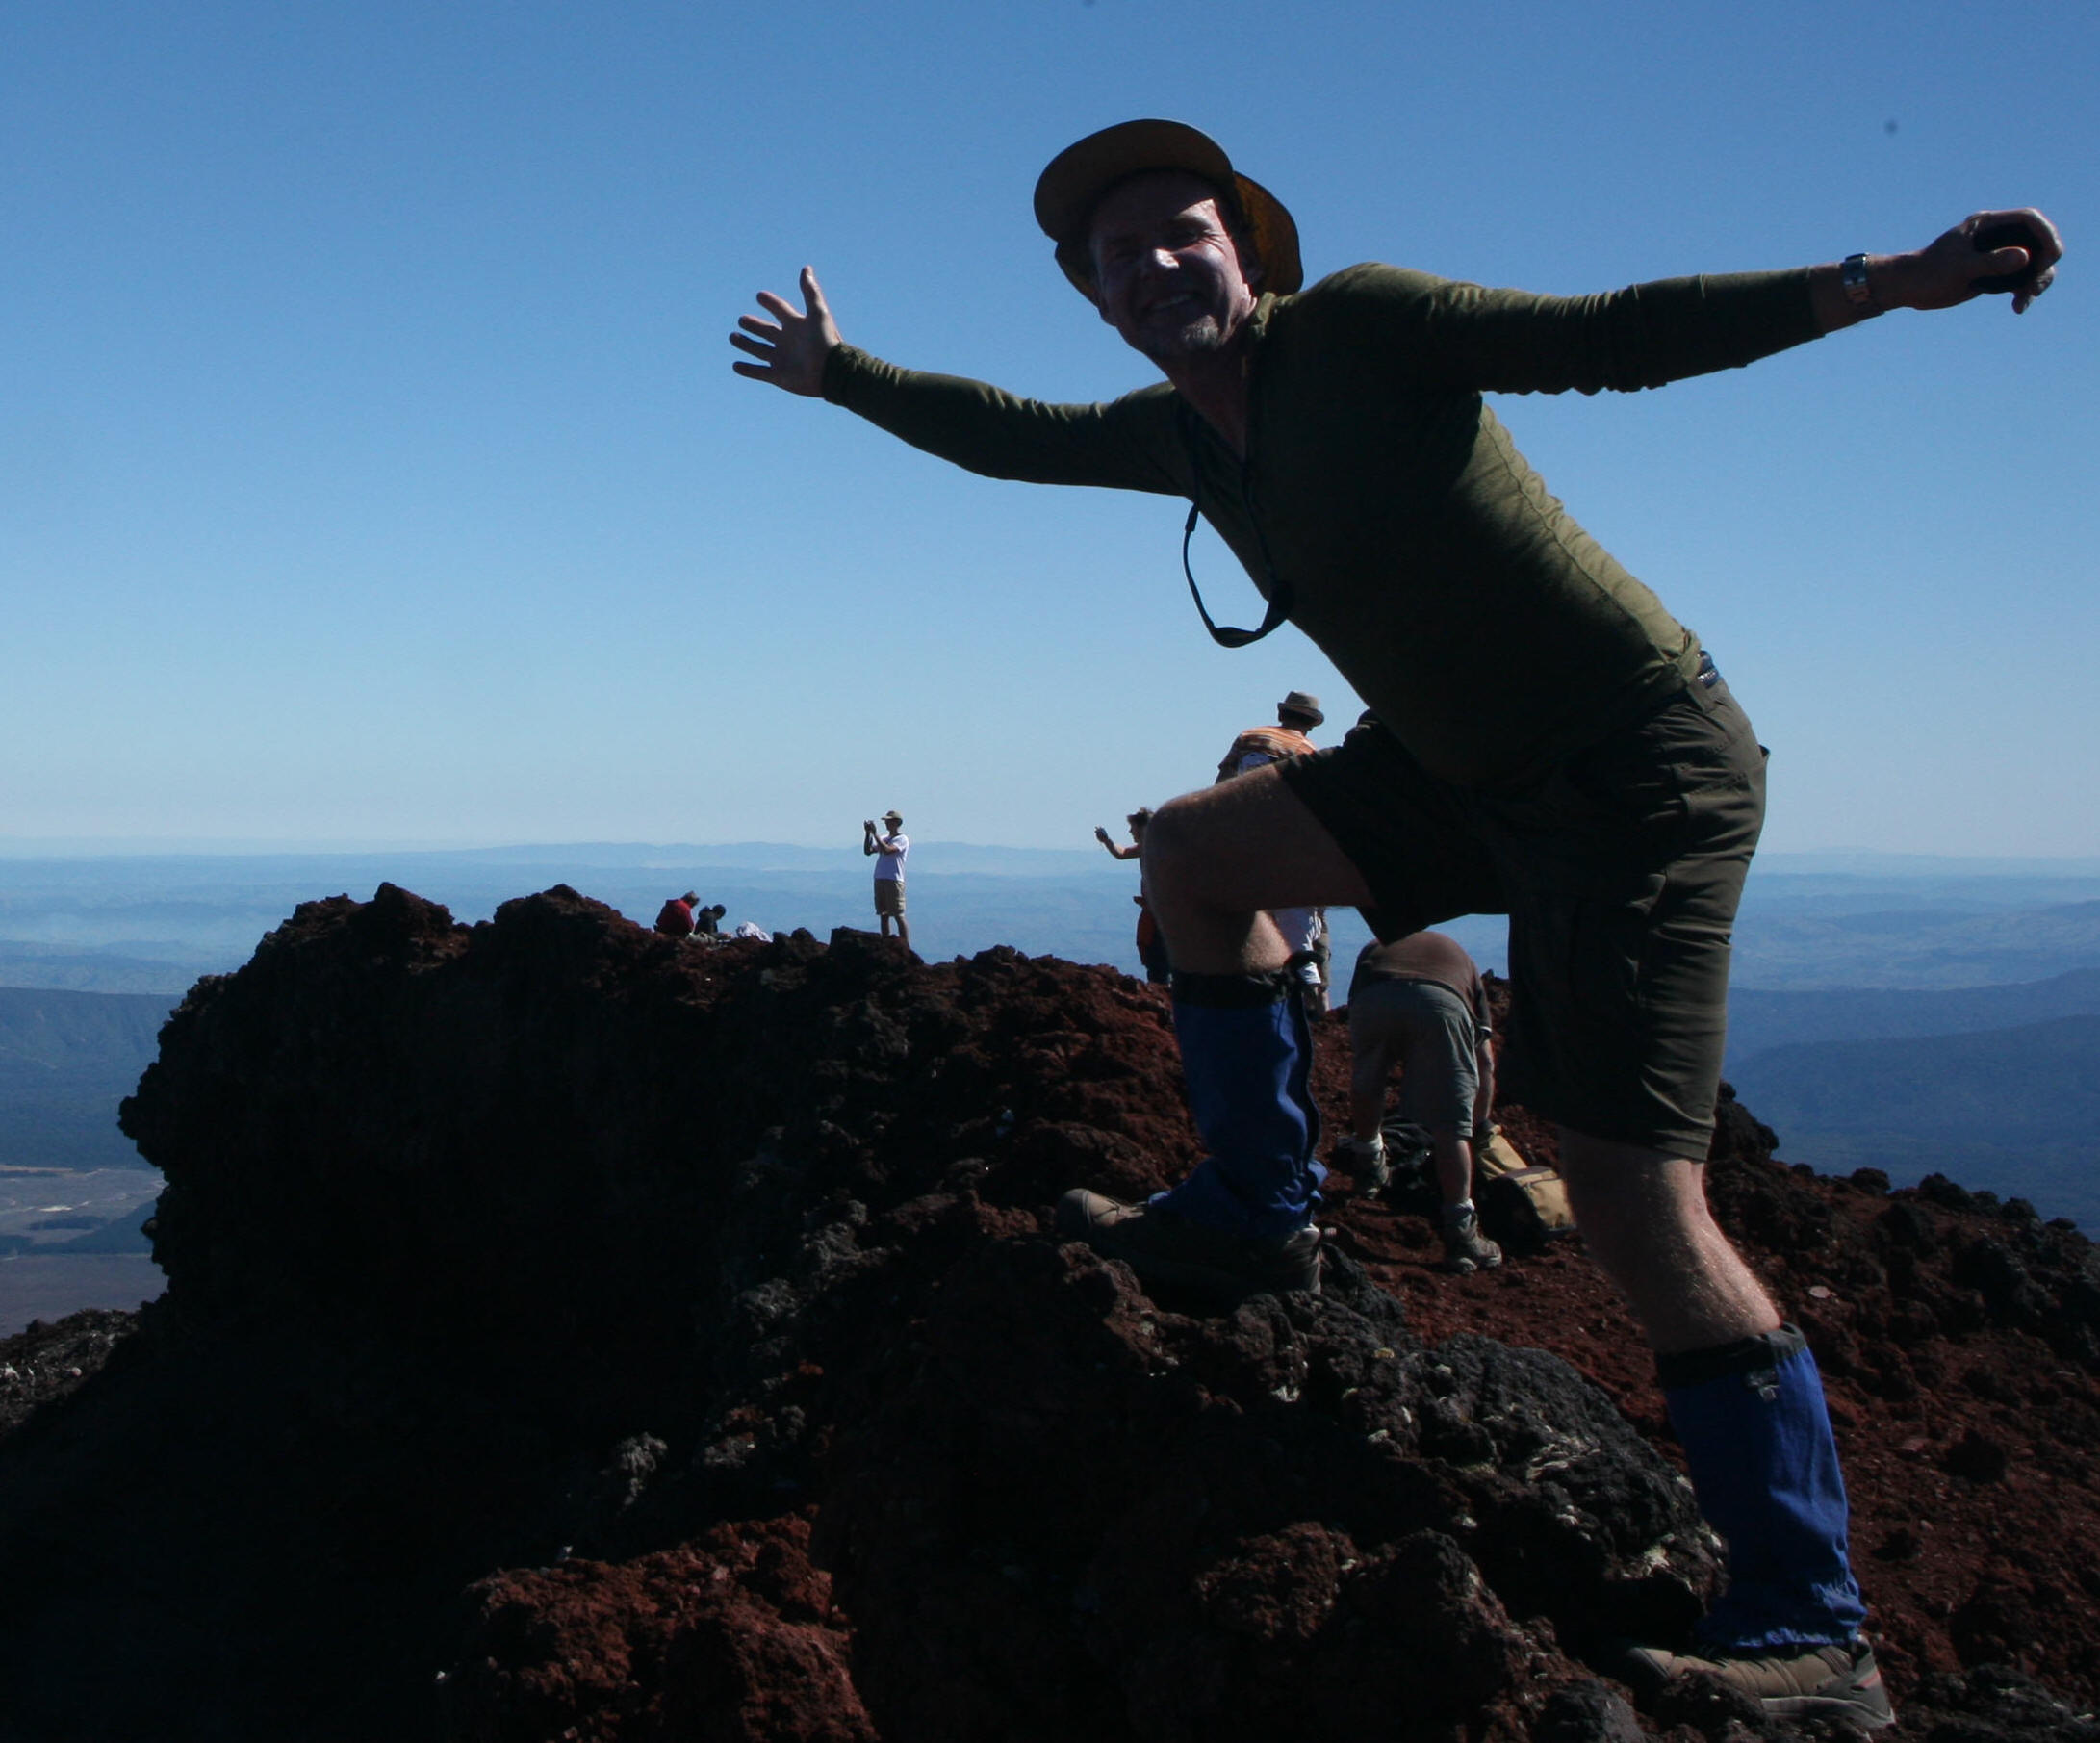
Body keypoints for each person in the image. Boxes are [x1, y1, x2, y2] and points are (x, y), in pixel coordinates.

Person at [732, 116, 2061, 1723]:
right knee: (1190, 857)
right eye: (1116, 256)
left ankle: (1812, 1629)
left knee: (1631, 1196)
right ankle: (1256, 1206)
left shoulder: (1361, 329)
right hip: (1451, 765)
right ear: (1093, 301)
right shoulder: (1179, 437)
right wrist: (843, 374)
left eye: (1184, 232)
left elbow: (1618, 336)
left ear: (1244, 246)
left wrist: (1886, 282)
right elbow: (1008, 433)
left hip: (1635, 768)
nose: (1155, 265)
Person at [1338, 933, 1499, 1272]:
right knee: (1450, 1124)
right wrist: (1478, 1128)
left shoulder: (1373, 944)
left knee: (1369, 1080)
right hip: (1439, 1003)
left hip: (1374, 998)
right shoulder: (1462, 959)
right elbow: (1484, 1061)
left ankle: (1368, 1167)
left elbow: (1356, 1010)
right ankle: (1461, 1233)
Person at [1215, 693, 1328, 1011]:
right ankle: (1314, 1006)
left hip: (1243, 844)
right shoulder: (1309, 752)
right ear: (1310, 723)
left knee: (1246, 927)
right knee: (1298, 935)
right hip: (1289, 849)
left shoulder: (1249, 737)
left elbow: (1221, 784)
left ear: (1283, 714)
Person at [1097, 808, 1170, 984]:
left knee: (1158, 957)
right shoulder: (1145, 848)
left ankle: (1163, 992)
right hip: (1154, 911)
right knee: (1152, 953)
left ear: (1143, 828)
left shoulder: (1159, 851)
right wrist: (1107, 841)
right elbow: (1121, 854)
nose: (1130, 832)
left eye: (1133, 828)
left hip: (1163, 913)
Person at [863, 810, 909, 947]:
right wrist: (868, 834)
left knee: (898, 914)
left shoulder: (902, 839)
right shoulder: (884, 837)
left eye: (889, 821)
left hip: (894, 879)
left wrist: (875, 834)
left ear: (897, 823)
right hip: (880, 878)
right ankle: (886, 943)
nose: (887, 823)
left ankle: (905, 946)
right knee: (883, 914)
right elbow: (868, 851)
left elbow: (888, 850)